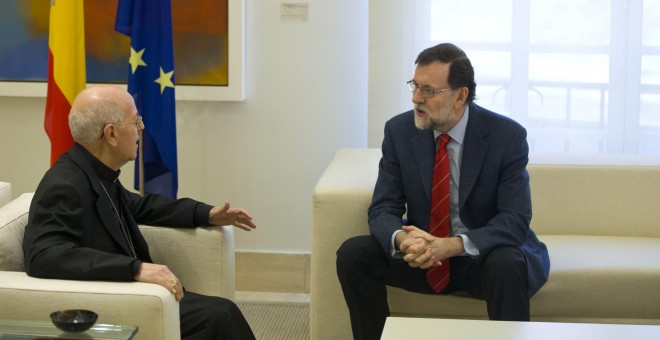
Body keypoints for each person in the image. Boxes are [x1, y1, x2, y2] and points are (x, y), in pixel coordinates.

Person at [336, 43, 550, 340]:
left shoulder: (506, 137)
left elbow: (514, 220)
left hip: (479, 257)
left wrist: (452, 245)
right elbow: (383, 208)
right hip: (423, 257)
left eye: (428, 91)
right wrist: (404, 240)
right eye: (414, 86)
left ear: (460, 95)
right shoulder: (399, 132)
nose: (415, 98)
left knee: (507, 264)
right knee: (353, 254)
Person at [23, 85, 257, 340]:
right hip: (109, 303)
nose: (141, 128)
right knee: (219, 316)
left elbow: (140, 206)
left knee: (221, 313)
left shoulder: (94, 170)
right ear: (111, 134)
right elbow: (44, 255)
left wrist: (207, 214)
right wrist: (134, 268)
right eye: (135, 121)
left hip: (133, 294)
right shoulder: (65, 183)